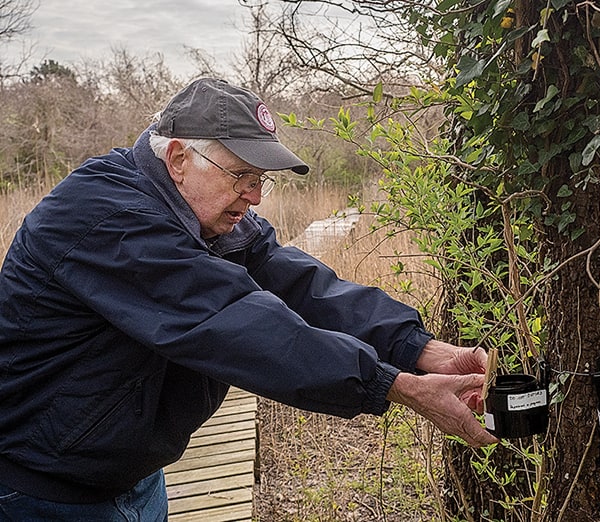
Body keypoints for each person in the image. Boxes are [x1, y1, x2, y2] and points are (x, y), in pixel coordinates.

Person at [0, 77, 496, 520]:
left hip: (132, 476)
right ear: (178, 159)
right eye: (241, 176)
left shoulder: (207, 215)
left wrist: (423, 350)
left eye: (261, 180)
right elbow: (234, 321)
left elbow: (305, 288)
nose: (255, 196)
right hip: (43, 490)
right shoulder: (105, 217)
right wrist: (395, 385)